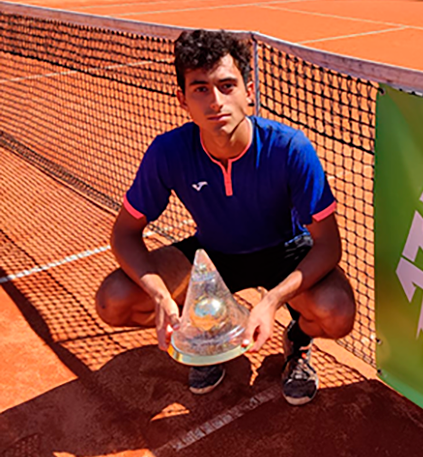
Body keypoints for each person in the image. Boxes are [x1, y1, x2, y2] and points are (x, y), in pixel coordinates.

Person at [95, 29, 356, 405]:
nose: (216, 101)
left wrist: (271, 303)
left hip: (284, 252)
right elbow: (124, 234)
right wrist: (163, 299)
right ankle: (206, 337)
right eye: (200, 88)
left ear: (249, 91)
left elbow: (329, 245)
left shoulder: (289, 148)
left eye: (227, 85)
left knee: (337, 312)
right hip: (211, 255)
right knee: (114, 299)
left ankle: (297, 340)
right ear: (182, 99)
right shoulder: (168, 152)